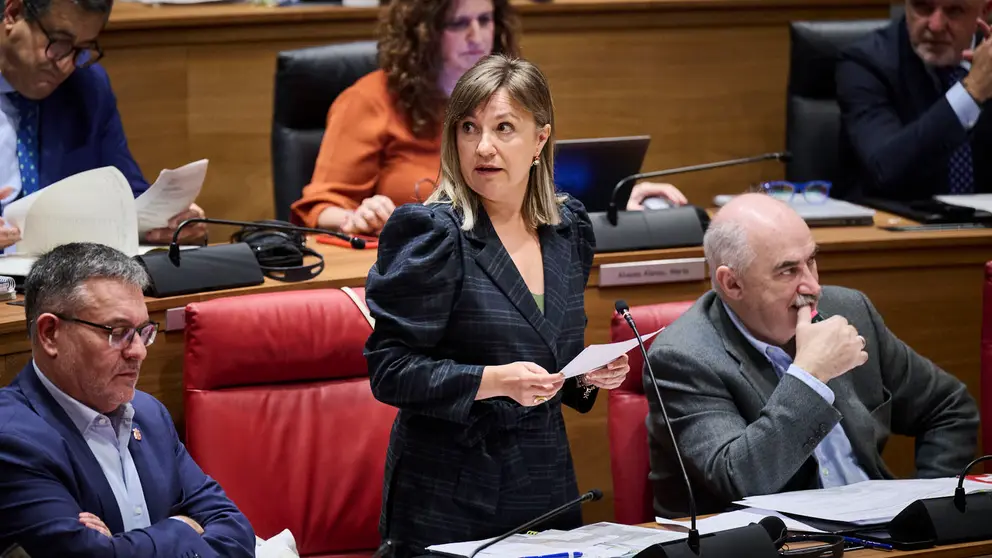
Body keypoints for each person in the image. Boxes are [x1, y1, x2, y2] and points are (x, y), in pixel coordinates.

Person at [364, 55, 630, 555]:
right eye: (469, 128)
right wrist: (493, 381)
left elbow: (548, 358)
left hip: (545, 483)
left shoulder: (568, 229)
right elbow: (390, 370)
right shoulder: (431, 234)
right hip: (449, 496)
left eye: (504, 128)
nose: (483, 146)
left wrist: (584, 376)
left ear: (540, 140)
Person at [643, 193, 979, 518]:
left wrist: (930, 506)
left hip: (879, 537)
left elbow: (950, 408)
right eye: (788, 271)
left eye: (812, 261)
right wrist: (809, 376)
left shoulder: (848, 311)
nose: (812, 286)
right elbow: (739, 479)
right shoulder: (683, 357)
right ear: (732, 284)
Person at [0, 242, 255, 557]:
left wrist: (121, 546)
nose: (139, 351)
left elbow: (234, 530)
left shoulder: (149, 414)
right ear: (51, 333)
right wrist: (183, 527)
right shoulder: (11, 439)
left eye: (143, 332)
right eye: (118, 332)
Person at [290, 0, 519, 235]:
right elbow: (321, 206)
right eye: (458, 23)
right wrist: (360, 218)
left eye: (484, 20)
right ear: (424, 32)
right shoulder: (369, 99)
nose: (477, 36)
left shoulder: (508, 98)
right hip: (408, 260)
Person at [0, 0, 207, 248]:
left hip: (63, 279)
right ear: (13, 13)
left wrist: (170, 223)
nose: (66, 65)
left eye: (81, 49)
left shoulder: (88, 87)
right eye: (59, 43)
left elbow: (128, 195)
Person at [837, 0, 992, 200]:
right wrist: (972, 92)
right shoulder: (865, 63)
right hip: (896, 224)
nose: (935, 26)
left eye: (955, 11)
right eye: (923, 7)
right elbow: (885, 168)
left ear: (986, 10)